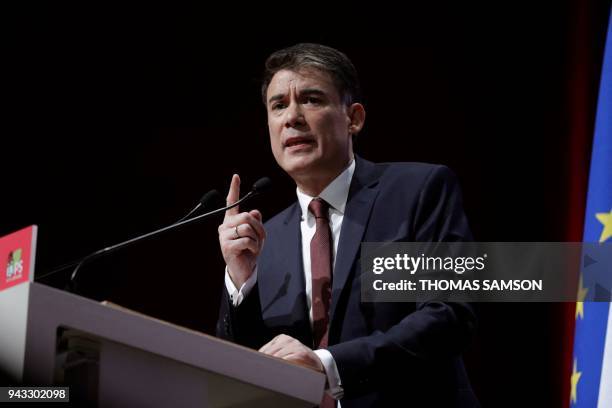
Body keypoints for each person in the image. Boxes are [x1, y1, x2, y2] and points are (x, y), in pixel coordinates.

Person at [216, 43, 479, 407]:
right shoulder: (265, 239)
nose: (291, 117)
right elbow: (242, 370)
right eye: (278, 105)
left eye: (310, 99)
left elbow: (450, 315)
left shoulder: (418, 191)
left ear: (353, 118)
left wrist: (328, 365)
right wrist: (241, 284)